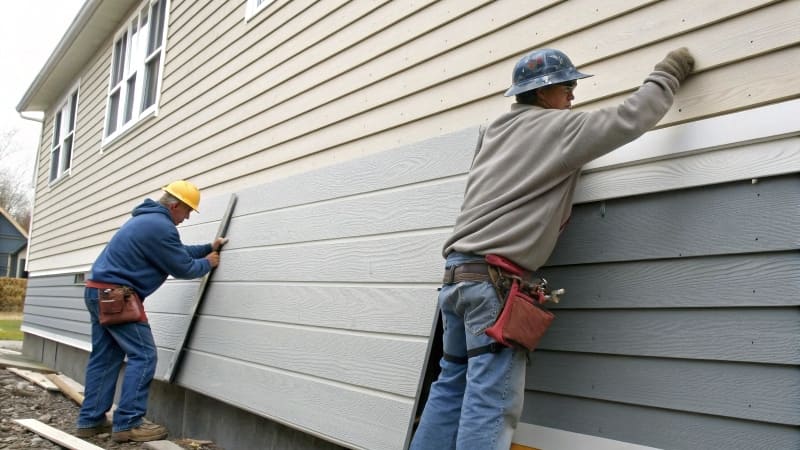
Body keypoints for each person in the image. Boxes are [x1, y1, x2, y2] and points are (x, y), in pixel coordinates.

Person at [410, 48, 695, 449]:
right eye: (567, 87)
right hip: (492, 284)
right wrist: (669, 71)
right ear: (543, 93)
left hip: (457, 278)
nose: (573, 95)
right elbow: (631, 117)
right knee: (490, 399)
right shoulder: (559, 129)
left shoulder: (495, 132)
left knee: (450, 385)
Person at [75, 180, 227, 443]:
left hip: (98, 292)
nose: (187, 217)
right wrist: (207, 263)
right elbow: (183, 267)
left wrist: (207, 248)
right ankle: (129, 424)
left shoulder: (146, 220)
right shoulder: (161, 227)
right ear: (175, 205)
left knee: (106, 357)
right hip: (118, 297)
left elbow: (177, 253)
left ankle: (90, 421)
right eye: (188, 211)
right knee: (144, 356)